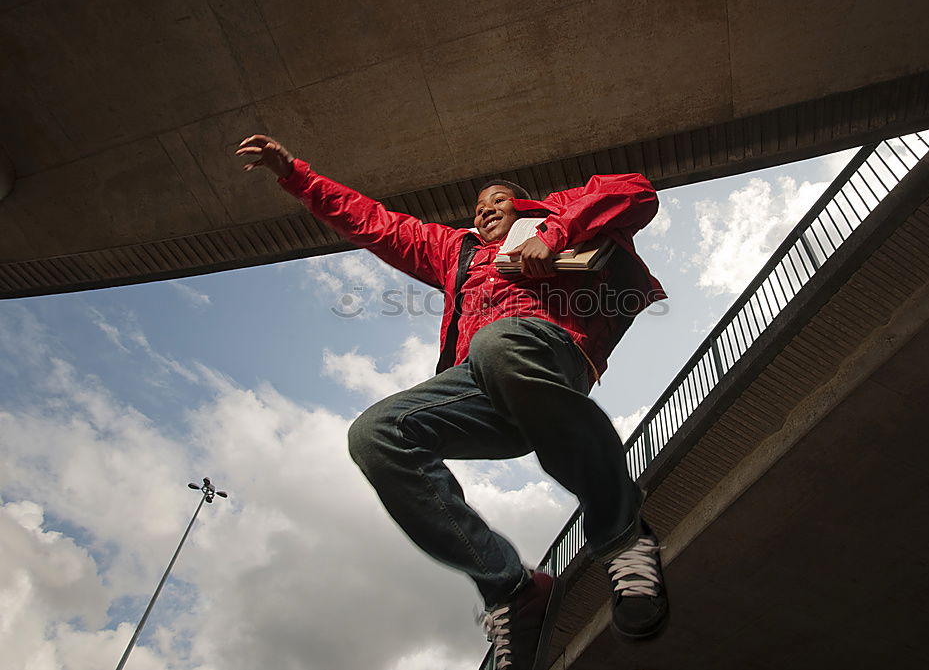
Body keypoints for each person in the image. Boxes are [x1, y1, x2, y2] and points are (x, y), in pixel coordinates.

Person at [236, 134, 670, 669]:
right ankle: (511, 590)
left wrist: (554, 234)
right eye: (478, 207)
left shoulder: (555, 215)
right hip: (480, 388)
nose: (486, 210)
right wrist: (295, 175)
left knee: (498, 342)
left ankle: (622, 534)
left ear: (523, 204)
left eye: (497, 202)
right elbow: (375, 222)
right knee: (375, 433)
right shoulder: (456, 250)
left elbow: (636, 191)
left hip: (548, 358)